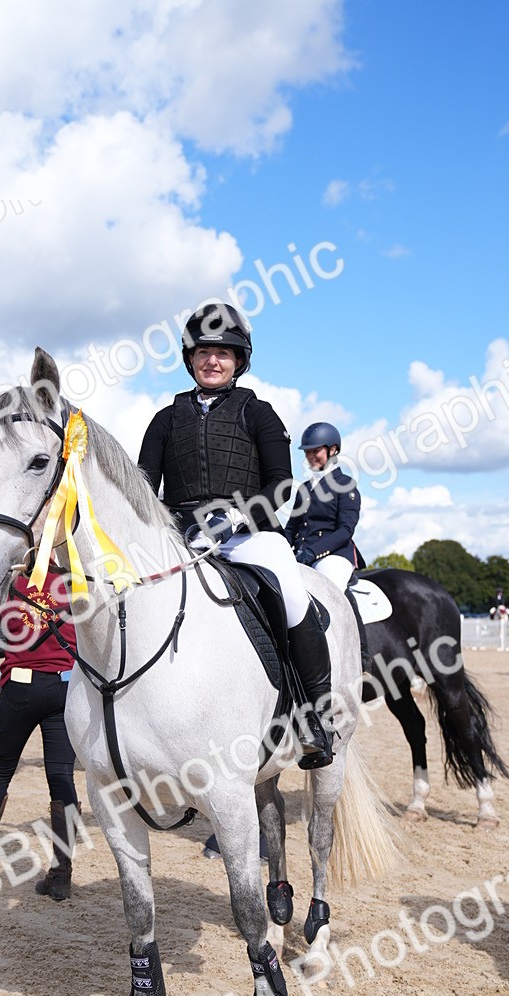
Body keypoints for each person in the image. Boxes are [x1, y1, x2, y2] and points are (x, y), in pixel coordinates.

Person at [138, 302, 333, 769]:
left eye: (223, 353)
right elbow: (143, 488)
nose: (213, 360)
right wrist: (173, 524)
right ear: (190, 358)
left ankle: (313, 714)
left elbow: (281, 484)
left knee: (288, 587)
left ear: (238, 360)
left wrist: (237, 519)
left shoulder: (258, 412)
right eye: (204, 352)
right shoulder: (167, 418)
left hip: (248, 534)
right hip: (180, 535)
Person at [0, 565, 80, 900]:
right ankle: (61, 873)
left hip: (19, 689)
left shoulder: (9, 582)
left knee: (0, 769)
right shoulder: (72, 580)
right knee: (62, 778)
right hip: (64, 688)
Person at [285, 422, 371, 671]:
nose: (310, 456)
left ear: (333, 450)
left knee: (330, 587)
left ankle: (361, 651)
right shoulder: (305, 489)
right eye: (307, 452)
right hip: (304, 553)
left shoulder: (346, 485)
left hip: (334, 553)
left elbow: (346, 530)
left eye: (315, 451)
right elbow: (292, 527)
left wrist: (314, 551)